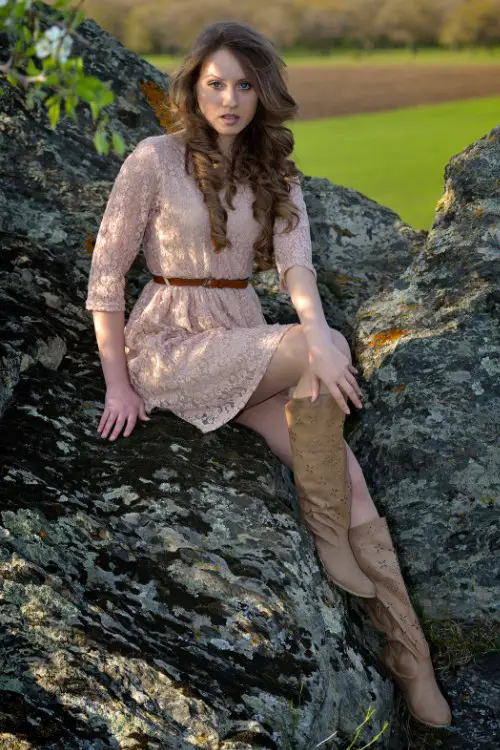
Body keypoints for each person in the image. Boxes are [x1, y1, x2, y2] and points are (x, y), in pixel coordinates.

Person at [85, 20, 451, 728]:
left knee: (348, 475)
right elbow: (105, 279)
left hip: (244, 341)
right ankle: (328, 537)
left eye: (244, 84)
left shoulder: (273, 169)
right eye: (215, 83)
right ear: (193, 87)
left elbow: (296, 267)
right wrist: (117, 383)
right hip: (169, 347)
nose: (229, 98)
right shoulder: (153, 159)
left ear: (262, 93)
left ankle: (414, 664)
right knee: (318, 353)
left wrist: (315, 332)